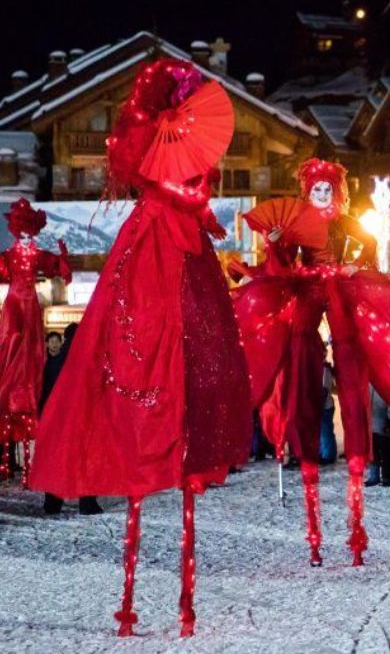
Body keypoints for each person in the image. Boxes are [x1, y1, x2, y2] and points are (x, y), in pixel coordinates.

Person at [30, 60, 253, 637]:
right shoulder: (152, 218)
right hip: (157, 262)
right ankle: (139, 596)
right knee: (138, 368)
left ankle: (179, 600)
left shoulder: (188, 211)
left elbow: (197, 194)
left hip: (188, 267)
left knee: (190, 374)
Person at [231, 158, 390, 566]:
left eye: (327, 191)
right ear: (309, 192)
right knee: (301, 345)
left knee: (350, 351)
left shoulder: (346, 221)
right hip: (309, 289)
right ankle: (310, 492)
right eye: (316, 191)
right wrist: (274, 242)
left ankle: (356, 502)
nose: (322, 197)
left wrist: (362, 266)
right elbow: (285, 259)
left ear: (335, 192)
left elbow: (369, 244)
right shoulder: (301, 219)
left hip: (340, 288)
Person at [0, 200, 71, 484]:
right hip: (17, 302)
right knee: (13, 343)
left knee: (29, 347)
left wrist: (62, 259)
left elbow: (55, 266)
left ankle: (26, 385)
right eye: (22, 228)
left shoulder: (37, 254)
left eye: (29, 229)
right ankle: (12, 384)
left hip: (30, 302)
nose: (26, 234)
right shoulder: (8, 255)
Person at [40, 323, 102, 516]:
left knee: (57, 460)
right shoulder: (87, 362)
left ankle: (52, 503)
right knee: (85, 461)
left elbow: (45, 392)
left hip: (56, 421)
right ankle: (87, 503)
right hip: (82, 420)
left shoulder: (53, 362)